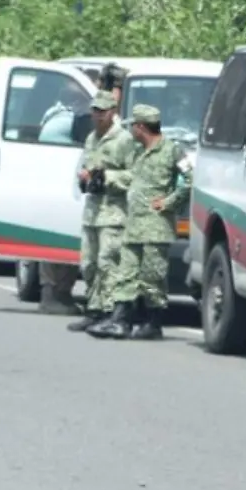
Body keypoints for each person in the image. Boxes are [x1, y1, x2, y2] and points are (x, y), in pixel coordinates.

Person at [90, 103, 193, 340]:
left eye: (134, 126)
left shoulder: (172, 151)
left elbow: (190, 179)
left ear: (141, 127)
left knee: (152, 276)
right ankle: (119, 321)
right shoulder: (137, 151)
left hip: (156, 227)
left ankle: (153, 322)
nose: (132, 132)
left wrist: (169, 202)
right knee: (125, 272)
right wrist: (106, 176)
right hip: (133, 224)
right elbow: (131, 177)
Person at [67, 90, 137, 330]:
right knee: (88, 263)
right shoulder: (91, 139)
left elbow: (134, 175)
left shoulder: (124, 140)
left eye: (101, 112)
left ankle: (109, 311)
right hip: (93, 211)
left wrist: (106, 177)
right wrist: (86, 177)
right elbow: (87, 165)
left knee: (108, 262)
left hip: (113, 212)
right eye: (94, 111)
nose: (96, 116)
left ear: (112, 112)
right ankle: (93, 308)